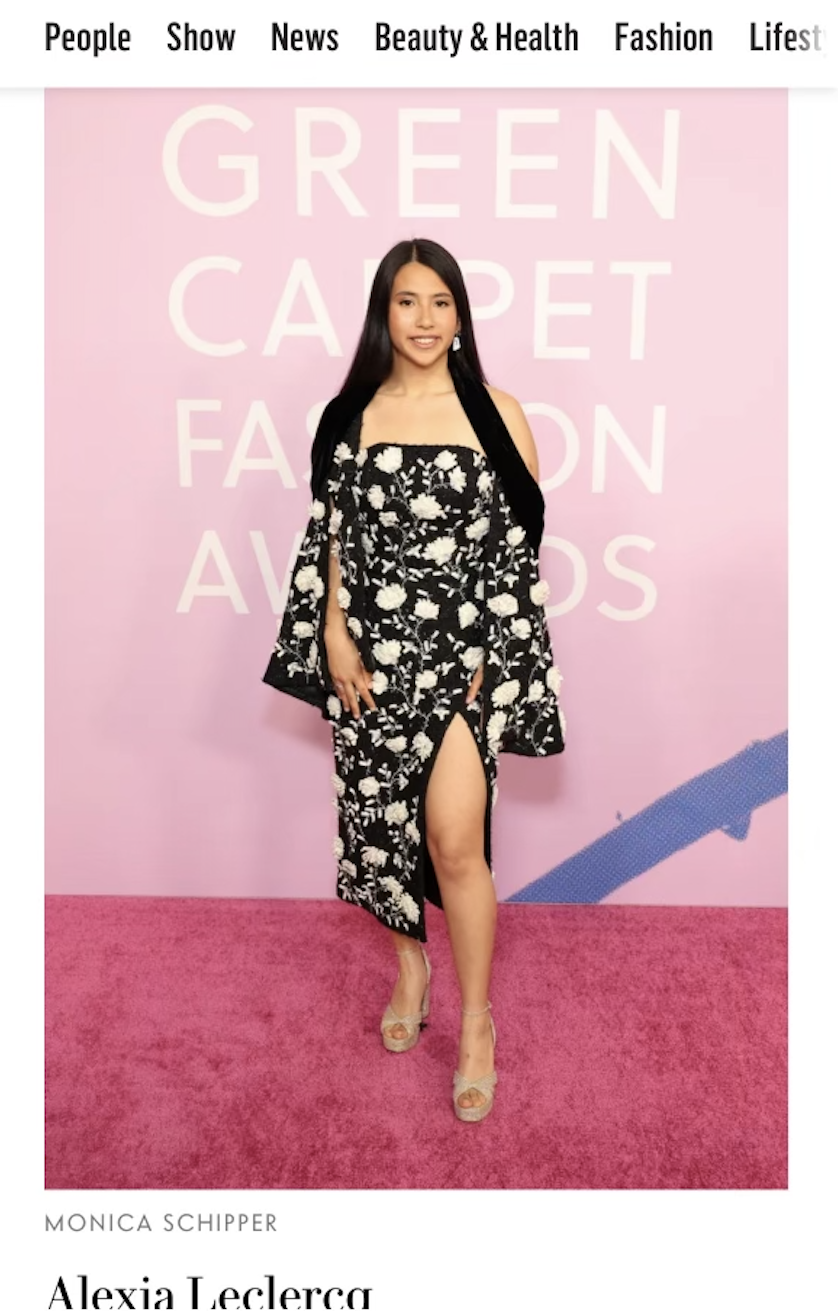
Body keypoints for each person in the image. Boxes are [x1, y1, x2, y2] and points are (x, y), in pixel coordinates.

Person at [263, 238, 565, 1122]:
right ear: (382, 313)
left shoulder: (499, 412)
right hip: (370, 662)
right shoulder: (348, 414)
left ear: (461, 316)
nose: (425, 320)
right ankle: (410, 968)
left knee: (456, 843)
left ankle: (476, 1025)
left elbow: (520, 546)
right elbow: (333, 540)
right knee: (379, 830)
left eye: (441, 303)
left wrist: (491, 653)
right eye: (407, 302)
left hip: (466, 659)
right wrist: (335, 637)